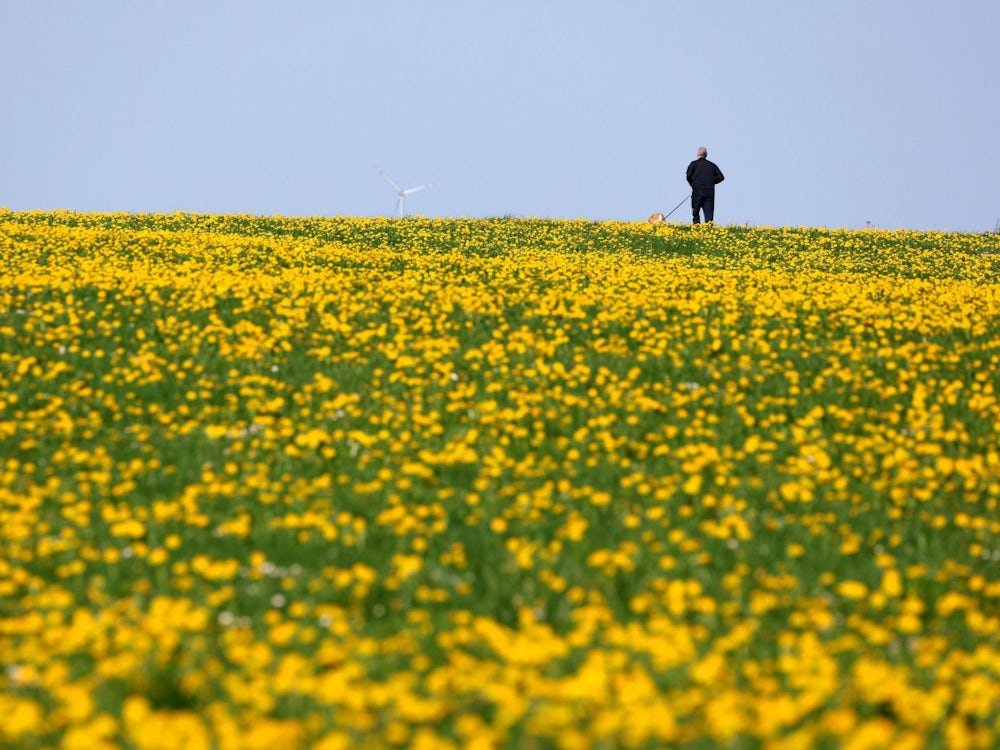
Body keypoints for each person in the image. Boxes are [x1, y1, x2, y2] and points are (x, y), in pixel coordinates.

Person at [686, 146, 725, 224]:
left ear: (697, 154)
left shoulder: (693, 164)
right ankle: (709, 230)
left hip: (697, 191)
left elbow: (688, 175)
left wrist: (693, 184)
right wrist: (712, 182)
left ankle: (697, 229)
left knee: (696, 212)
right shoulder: (712, 165)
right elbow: (721, 177)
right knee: (709, 214)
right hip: (709, 192)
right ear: (706, 155)